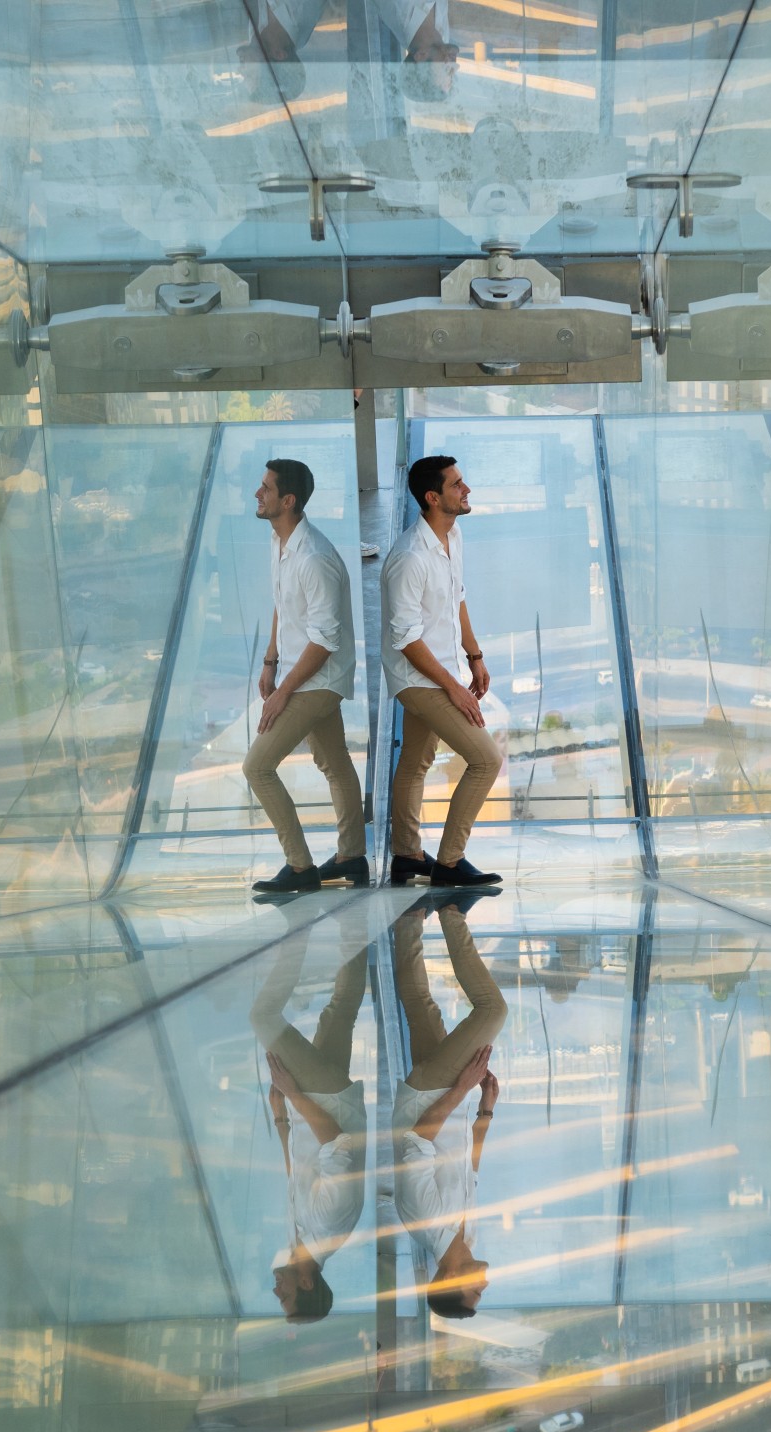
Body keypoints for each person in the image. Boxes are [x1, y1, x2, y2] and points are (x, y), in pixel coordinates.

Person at [245, 457, 368, 895]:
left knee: (257, 767)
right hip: (300, 672)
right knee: (334, 763)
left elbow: (325, 641)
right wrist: (270, 661)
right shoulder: (281, 544)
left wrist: (284, 693)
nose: (258, 494)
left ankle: (300, 868)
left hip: (318, 679)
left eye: (266, 488)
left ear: (288, 500)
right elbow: (283, 603)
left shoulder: (315, 557)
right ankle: (353, 857)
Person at [382, 456, 503, 889]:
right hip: (418, 678)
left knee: (415, 762)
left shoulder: (453, 535)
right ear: (433, 497)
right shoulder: (409, 558)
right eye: (457, 485)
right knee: (486, 759)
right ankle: (449, 864)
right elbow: (406, 640)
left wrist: (474, 656)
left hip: (444, 670)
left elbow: (458, 598)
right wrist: (454, 688)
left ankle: (406, 856)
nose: (466, 489)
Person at [390, 898, 507, 1320]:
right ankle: (409, 919)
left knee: (493, 1010)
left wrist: (462, 1085)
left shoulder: (425, 1222)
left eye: (474, 1293)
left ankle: (451, 910)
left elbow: (418, 1138)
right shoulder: (466, 1236)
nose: (484, 1286)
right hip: (450, 1102)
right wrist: (484, 1112)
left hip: (429, 1096)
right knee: (421, 1006)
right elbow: (468, 1168)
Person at [256, 927, 371, 1321]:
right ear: (306, 1285)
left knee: (341, 1008)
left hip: (316, 1106)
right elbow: (337, 1143)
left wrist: (281, 1119)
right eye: (284, 1298)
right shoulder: (330, 1225)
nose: (277, 1290)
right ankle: (297, 929)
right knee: (263, 1017)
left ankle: (357, 915)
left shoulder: (301, 1240)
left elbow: (297, 1175)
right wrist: (292, 1092)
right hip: (327, 1102)